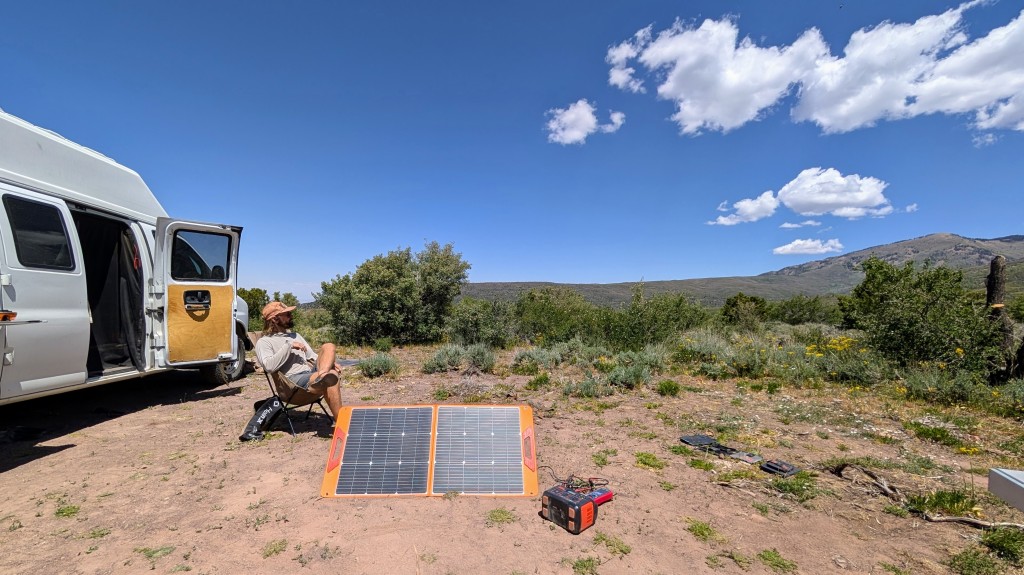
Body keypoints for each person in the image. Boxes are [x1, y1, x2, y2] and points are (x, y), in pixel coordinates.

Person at [254, 301, 343, 420]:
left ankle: (323, 376)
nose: (291, 316)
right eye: (287, 314)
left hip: (311, 375)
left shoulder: (296, 335)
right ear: (275, 319)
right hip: (292, 383)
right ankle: (342, 422)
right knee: (332, 376)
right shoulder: (264, 342)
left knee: (329, 346)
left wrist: (330, 362)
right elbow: (269, 367)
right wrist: (288, 346)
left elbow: (313, 356)